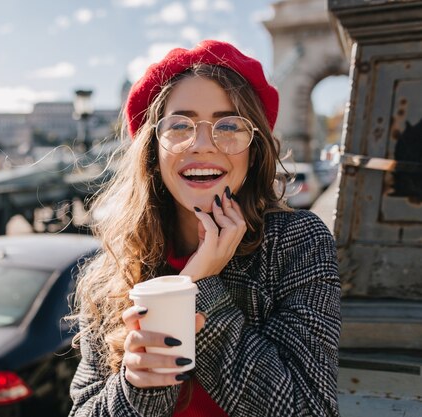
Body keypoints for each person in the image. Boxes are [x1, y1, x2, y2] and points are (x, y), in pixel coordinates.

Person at [67, 40, 341, 417]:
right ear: (153, 148)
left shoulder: (297, 244)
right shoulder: (110, 273)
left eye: (228, 126)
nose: (202, 144)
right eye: (180, 125)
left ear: (254, 148)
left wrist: (200, 287)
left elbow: (307, 409)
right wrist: (138, 386)